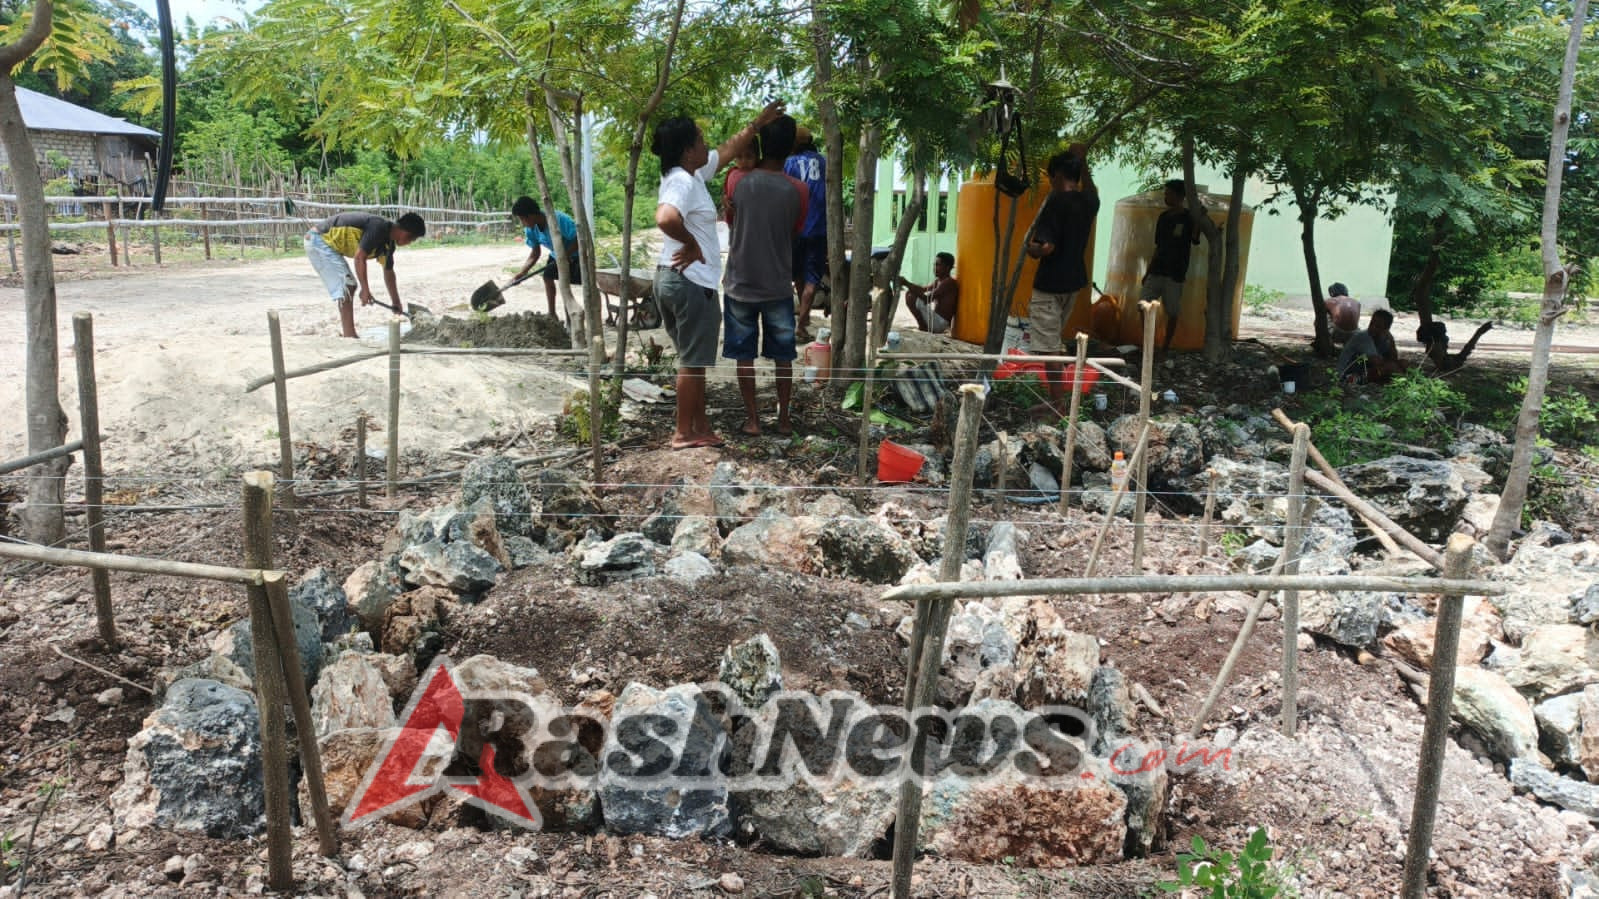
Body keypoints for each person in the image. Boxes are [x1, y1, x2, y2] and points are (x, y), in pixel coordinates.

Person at [652, 100, 785, 450]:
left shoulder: (690, 174)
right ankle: (683, 433)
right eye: (698, 137)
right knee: (692, 364)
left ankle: (700, 426)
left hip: (674, 280)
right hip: (690, 283)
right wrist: (692, 243)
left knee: (691, 362)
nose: (705, 141)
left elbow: (726, 151)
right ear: (686, 149)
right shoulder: (682, 181)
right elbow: (665, 217)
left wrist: (757, 123)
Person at [724, 115, 808, 437]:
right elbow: (795, 231)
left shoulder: (736, 182)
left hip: (740, 283)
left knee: (744, 355)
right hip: (777, 285)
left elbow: (732, 221)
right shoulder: (798, 190)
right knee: (783, 357)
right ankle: (784, 420)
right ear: (789, 148)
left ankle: (753, 420)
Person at [1025, 146, 1099, 417]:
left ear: (1056, 175)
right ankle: (1058, 402)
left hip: (1050, 283)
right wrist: (1084, 162)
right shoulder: (1089, 202)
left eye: (1050, 175)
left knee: (1049, 350)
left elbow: (1046, 248)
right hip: (1073, 282)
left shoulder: (1055, 201)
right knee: (1054, 344)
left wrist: (1030, 248)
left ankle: (1058, 407)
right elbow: (1091, 190)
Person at [304, 211, 426, 338]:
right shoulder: (378, 227)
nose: (410, 242)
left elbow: (388, 272)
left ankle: (349, 334)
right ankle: (350, 336)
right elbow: (359, 258)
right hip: (318, 240)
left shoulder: (389, 245)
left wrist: (396, 302)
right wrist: (365, 289)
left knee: (349, 285)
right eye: (412, 239)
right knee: (348, 285)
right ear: (406, 233)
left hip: (328, 245)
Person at [1141, 179, 1201, 353]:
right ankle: (1148, 343)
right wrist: (1148, 271)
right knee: (1143, 304)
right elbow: (1158, 246)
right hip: (1157, 270)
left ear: (1180, 196)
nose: (1165, 196)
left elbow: (1195, 240)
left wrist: (1200, 219)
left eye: (1168, 193)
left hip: (1175, 273)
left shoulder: (1189, 217)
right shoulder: (1164, 217)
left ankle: (1165, 347)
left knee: (1172, 312)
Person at [785, 126, 828, 342]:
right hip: (819, 229)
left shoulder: (789, 163)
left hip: (796, 228)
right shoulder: (824, 161)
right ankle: (802, 322)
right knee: (812, 278)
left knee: (799, 276)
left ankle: (802, 322)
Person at [511, 196, 581, 318]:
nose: (522, 223)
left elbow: (579, 239)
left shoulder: (558, 219)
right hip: (556, 256)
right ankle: (552, 314)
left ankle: (572, 314)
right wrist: (522, 273)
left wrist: (566, 255)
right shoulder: (531, 229)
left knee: (564, 283)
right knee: (547, 276)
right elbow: (535, 254)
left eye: (522, 219)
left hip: (576, 255)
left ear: (531, 215)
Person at [1336, 308, 1407, 384]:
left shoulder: (1383, 338)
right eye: (1371, 324)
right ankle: (1404, 383)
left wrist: (1391, 339)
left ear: (1386, 329)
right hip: (1348, 376)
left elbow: (1393, 358)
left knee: (1403, 363)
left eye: (1378, 326)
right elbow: (1377, 362)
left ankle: (1401, 381)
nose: (1373, 328)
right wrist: (1394, 367)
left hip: (1364, 370)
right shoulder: (1363, 337)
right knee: (1389, 368)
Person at [898, 252, 958, 334]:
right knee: (910, 293)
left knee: (911, 296)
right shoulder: (939, 281)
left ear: (947, 267)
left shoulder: (948, 282)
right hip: (935, 319)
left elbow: (927, 299)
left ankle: (923, 327)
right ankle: (923, 326)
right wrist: (907, 284)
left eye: (938, 265)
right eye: (934, 265)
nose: (934, 268)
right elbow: (923, 289)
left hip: (940, 323)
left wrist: (907, 283)